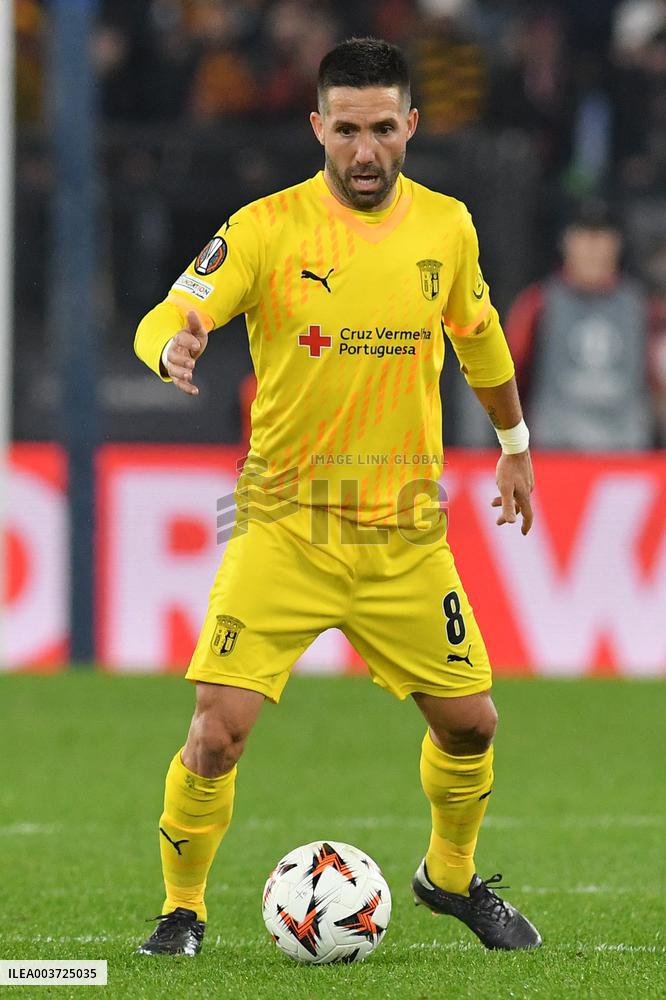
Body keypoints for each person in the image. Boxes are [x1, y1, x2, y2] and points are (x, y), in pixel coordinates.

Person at [133, 37, 541, 957]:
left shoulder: (448, 228)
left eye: (384, 129)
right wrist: (171, 345)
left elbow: (479, 338)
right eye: (347, 130)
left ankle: (449, 877)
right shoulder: (267, 228)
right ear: (318, 125)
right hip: (283, 526)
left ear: (412, 128)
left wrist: (514, 443)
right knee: (216, 734)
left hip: (405, 533)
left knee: (473, 725)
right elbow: (173, 309)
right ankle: (183, 909)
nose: (366, 152)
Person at [506, 206, 652, 450]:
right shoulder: (538, 302)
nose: (592, 248)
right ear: (566, 243)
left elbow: (657, 381)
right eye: (583, 237)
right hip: (555, 450)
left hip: (626, 453)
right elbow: (501, 374)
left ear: (616, 244)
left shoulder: (641, 307)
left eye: (601, 237)